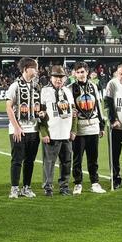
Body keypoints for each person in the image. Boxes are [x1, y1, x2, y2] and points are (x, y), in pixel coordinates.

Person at [6, 58, 42, 198]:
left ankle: (26, 187)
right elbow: (8, 107)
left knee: (30, 161)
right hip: (19, 130)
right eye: (34, 68)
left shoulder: (36, 86)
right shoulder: (15, 86)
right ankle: (14, 188)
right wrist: (16, 127)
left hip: (34, 129)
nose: (37, 70)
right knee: (17, 160)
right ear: (26, 69)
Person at [68, 62, 105, 194]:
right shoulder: (70, 88)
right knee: (77, 158)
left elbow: (98, 106)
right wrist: (71, 128)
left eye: (82, 72)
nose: (80, 75)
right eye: (78, 72)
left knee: (93, 158)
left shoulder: (93, 86)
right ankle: (78, 183)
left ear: (87, 72)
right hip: (79, 129)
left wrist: (102, 125)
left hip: (93, 127)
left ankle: (95, 182)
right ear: (74, 74)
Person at [39, 65, 75, 196]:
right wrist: (44, 133)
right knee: (49, 163)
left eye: (61, 77)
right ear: (51, 78)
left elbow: (74, 113)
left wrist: (73, 130)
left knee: (66, 162)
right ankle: (48, 187)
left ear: (65, 78)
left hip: (66, 134)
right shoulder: (45, 91)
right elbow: (40, 113)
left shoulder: (68, 92)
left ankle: (64, 186)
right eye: (56, 77)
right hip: (52, 134)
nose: (59, 79)